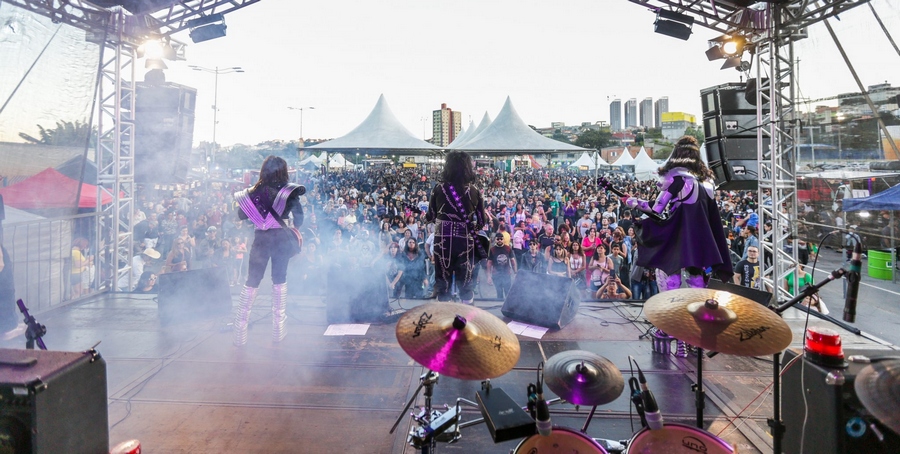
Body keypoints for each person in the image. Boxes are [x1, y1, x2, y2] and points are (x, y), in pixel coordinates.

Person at [624, 136, 733, 357]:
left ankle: (672, 331)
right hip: (700, 242)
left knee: (668, 279)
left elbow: (656, 209)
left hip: (678, 238)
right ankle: (693, 337)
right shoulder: (707, 183)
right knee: (696, 286)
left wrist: (633, 202)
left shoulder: (676, 180)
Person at [232, 156, 306, 346]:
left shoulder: (253, 192)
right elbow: (300, 219)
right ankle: (278, 331)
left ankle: (239, 333)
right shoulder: (289, 192)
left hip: (261, 240)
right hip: (281, 239)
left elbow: (240, 215)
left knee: (252, 281)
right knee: (279, 279)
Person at [425, 151, 484, 305]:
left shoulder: (438, 189)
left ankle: (445, 316)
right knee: (465, 283)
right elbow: (481, 221)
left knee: (443, 283)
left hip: (442, 240)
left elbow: (430, 216)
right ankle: (466, 316)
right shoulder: (475, 191)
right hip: (465, 241)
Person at [486, 235, 516, 299]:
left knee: (507, 292)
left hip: (506, 274)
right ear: (495, 240)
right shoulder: (492, 250)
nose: (499, 240)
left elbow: (512, 261)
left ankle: (507, 305)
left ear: (503, 240)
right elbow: (489, 263)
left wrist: (515, 272)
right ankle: (499, 305)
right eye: (498, 239)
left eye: (501, 239)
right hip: (496, 274)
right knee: (499, 292)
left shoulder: (508, 248)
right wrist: (489, 276)